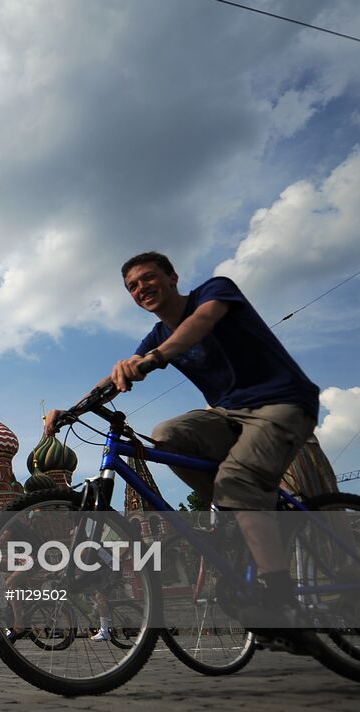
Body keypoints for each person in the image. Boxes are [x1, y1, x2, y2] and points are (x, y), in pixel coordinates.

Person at [47, 252, 320, 646]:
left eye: (148, 278)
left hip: (282, 402)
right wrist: (72, 409)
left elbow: (201, 322)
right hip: (229, 415)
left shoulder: (215, 291)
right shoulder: (157, 335)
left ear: (172, 277)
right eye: (132, 286)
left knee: (237, 480)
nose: (141, 288)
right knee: (167, 433)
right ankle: (232, 519)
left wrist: (155, 358)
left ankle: (282, 600)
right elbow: (117, 374)